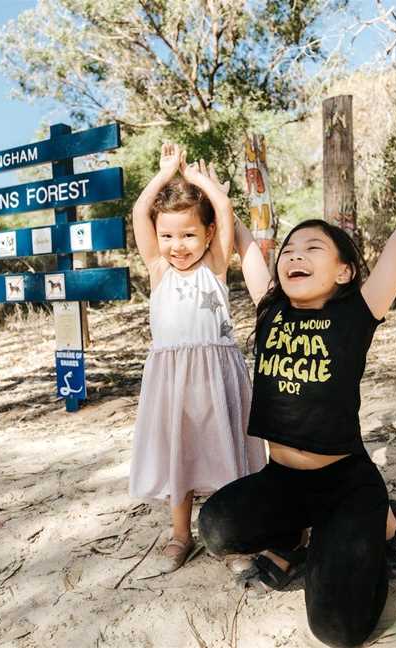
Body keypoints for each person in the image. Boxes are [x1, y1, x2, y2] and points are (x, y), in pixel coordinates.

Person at [198, 98, 396, 647]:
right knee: (217, 529)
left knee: (338, 629)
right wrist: (215, 194)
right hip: (283, 481)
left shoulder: (357, 312)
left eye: (312, 247)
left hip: (345, 481)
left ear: (343, 269)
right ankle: (293, 542)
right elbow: (244, 241)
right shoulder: (270, 307)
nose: (294, 253)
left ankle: (387, 522)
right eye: (289, 248)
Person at [129, 142, 267, 573]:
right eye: (167, 235)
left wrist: (197, 180)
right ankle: (180, 535)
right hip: (172, 380)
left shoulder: (216, 267)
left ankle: (235, 540)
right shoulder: (158, 271)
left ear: (208, 235)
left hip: (216, 375)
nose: (177, 245)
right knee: (180, 456)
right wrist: (167, 173)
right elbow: (139, 212)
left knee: (225, 454)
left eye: (188, 234)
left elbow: (223, 209)